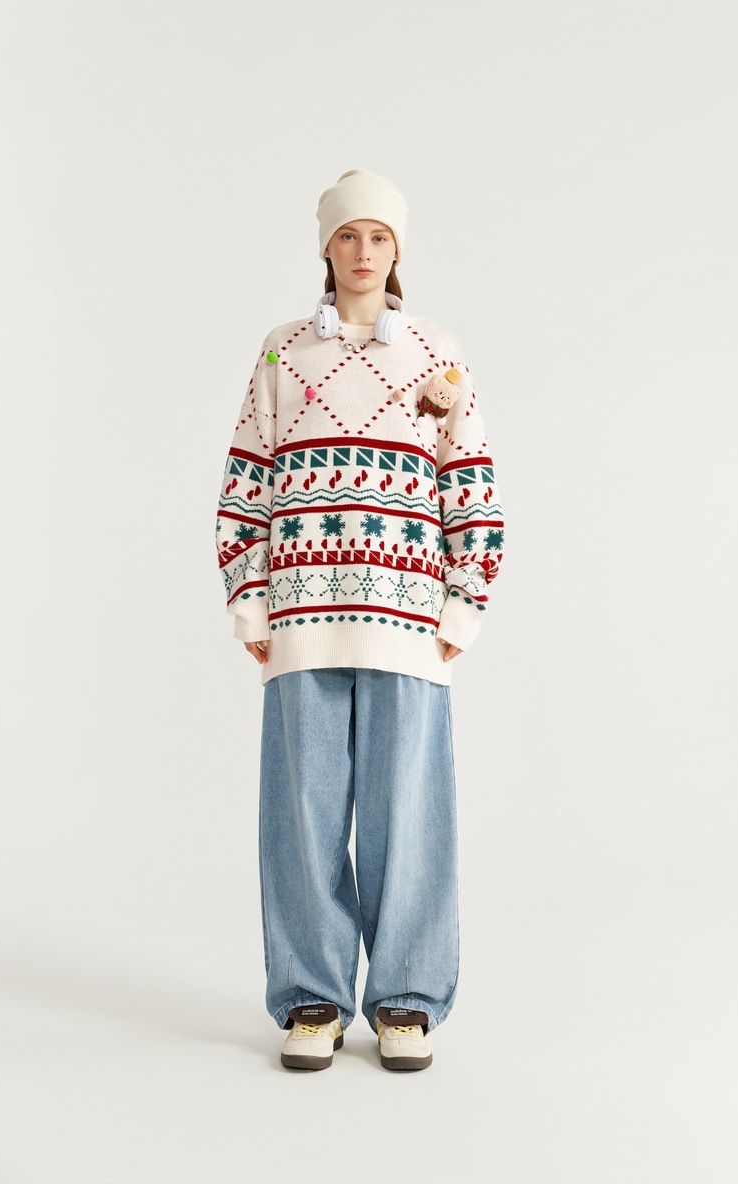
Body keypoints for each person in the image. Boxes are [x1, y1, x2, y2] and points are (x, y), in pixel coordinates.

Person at [215, 168, 505, 1071]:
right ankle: (313, 998)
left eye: (379, 236)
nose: (363, 251)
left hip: (409, 622)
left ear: (398, 248)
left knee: (407, 816)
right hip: (301, 615)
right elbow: (246, 477)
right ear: (326, 246)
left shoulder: (436, 353)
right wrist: (249, 599)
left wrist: (463, 604)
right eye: (348, 235)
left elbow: (472, 482)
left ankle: (406, 1000)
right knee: (301, 817)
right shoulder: (281, 353)